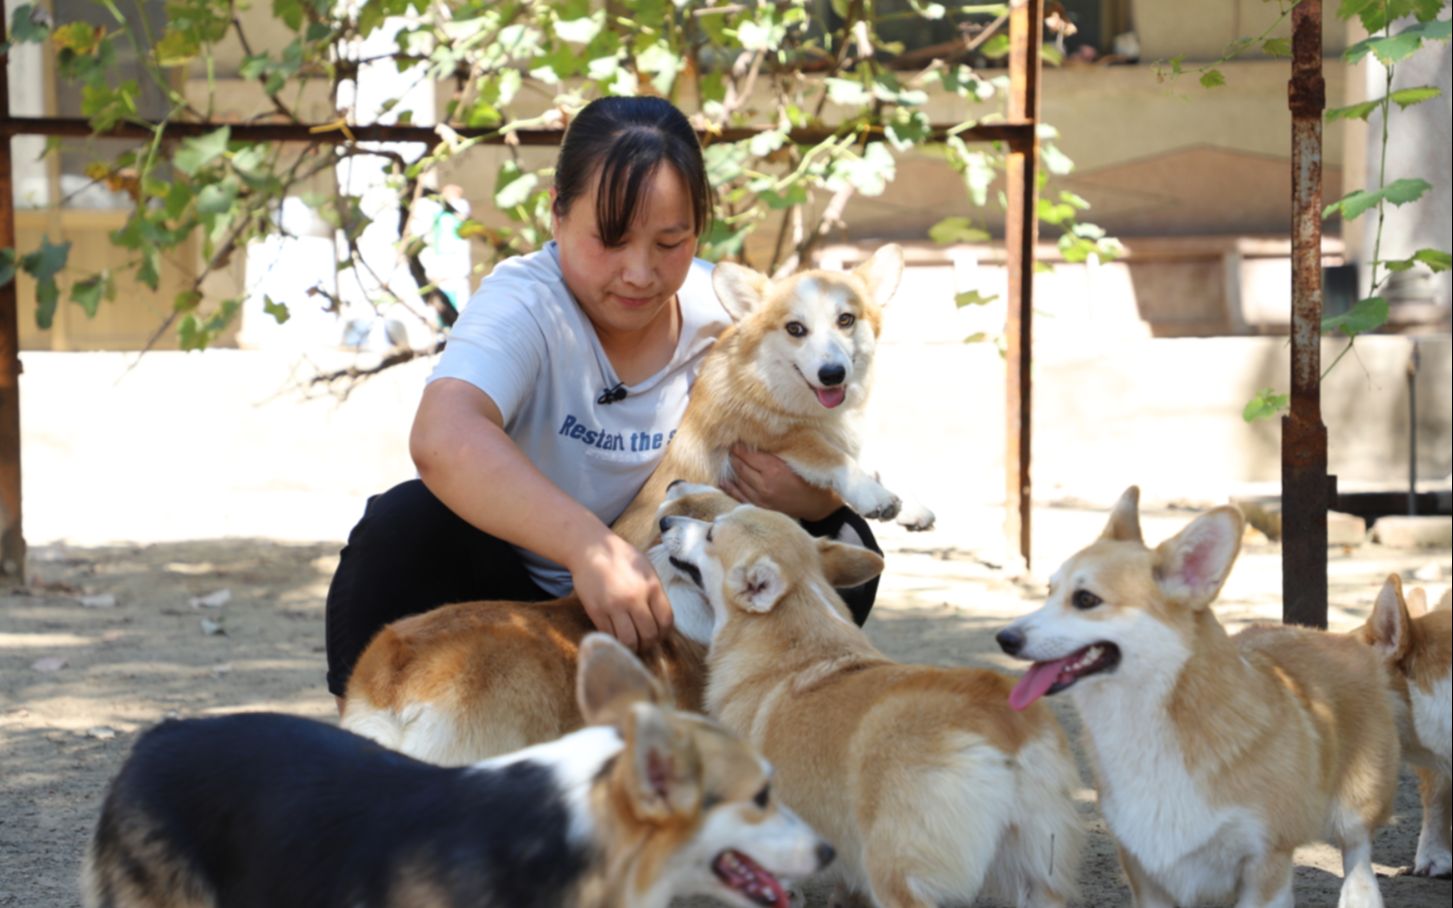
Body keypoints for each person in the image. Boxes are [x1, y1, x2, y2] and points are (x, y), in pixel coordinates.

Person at [324, 96, 881, 708]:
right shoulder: (524, 304)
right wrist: (589, 549)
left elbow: (820, 434)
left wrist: (811, 497)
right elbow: (443, 437)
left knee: (843, 539)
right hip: (517, 590)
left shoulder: (733, 315)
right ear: (557, 216)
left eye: (670, 242)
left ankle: (756, 720)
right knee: (400, 529)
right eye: (611, 240)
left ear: (699, 230)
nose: (639, 273)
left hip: (674, 586)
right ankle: (374, 739)